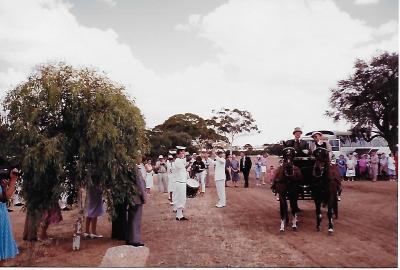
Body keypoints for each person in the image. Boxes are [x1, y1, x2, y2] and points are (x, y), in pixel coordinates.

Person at [0, 168, 19, 264]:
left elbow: (4, 197)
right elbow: (3, 198)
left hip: (2, 215)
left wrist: (11, 181)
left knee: (1, 254)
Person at [126, 163, 147, 247]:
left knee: (131, 218)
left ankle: (129, 237)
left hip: (130, 195)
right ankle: (135, 239)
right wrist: (144, 196)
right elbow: (140, 184)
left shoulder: (127, 166)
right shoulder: (135, 168)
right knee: (136, 219)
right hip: (136, 196)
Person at [84, 170, 104, 239]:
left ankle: (86, 231)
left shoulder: (90, 185)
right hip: (96, 201)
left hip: (91, 201)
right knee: (94, 215)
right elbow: (100, 192)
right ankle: (93, 232)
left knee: (89, 214)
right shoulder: (97, 187)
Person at [172, 146, 189, 221]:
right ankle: (179, 216)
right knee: (180, 199)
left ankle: (179, 215)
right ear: (178, 154)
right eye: (182, 152)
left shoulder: (180, 160)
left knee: (181, 199)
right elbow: (183, 165)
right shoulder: (178, 161)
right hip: (179, 182)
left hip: (181, 182)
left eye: (184, 152)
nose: (184, 153)